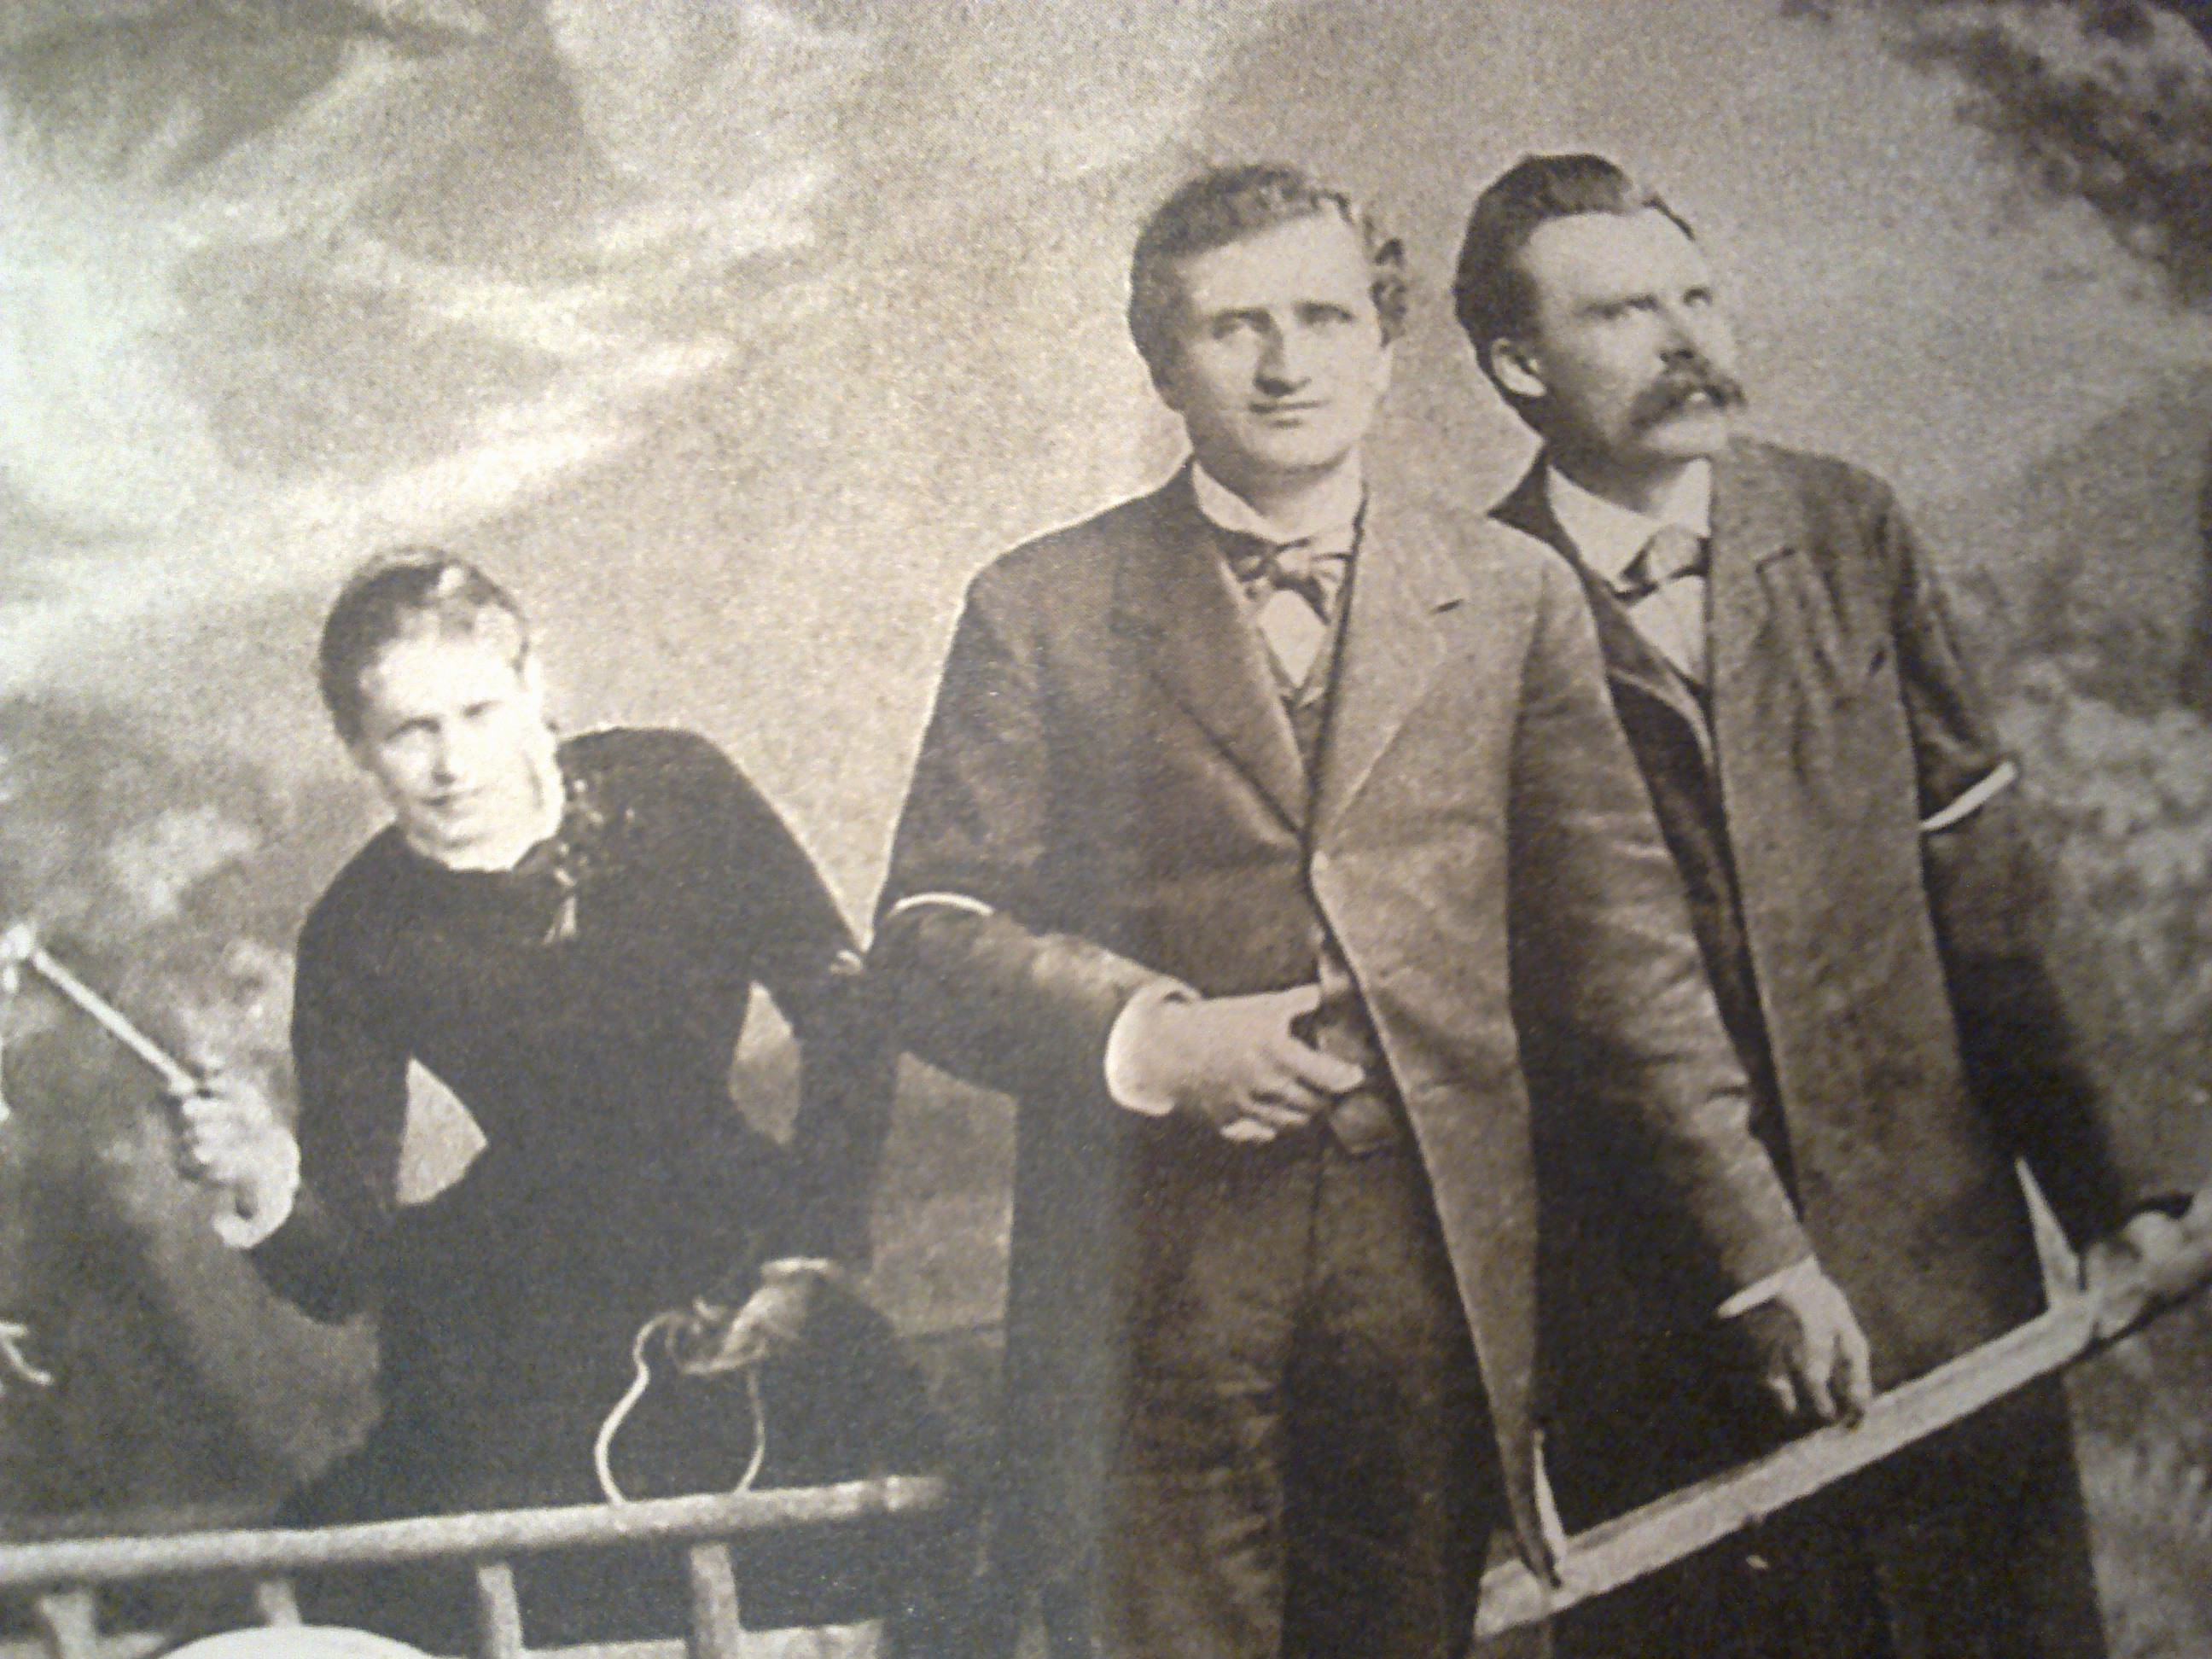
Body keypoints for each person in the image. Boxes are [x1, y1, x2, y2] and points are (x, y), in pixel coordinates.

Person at [870, 163, 1868, 1659]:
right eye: (1234, 327)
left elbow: (1626, 964)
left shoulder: (1512, 594)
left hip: (1429, 1279)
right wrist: (1153, 1037)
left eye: (1325, 318)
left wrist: (1764, 1255)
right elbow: (925, 935)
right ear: (1161, 362)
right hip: (1150, 1281)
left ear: (1387, 345)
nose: (1286, 364)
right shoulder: (1042, 603)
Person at [1452, 151, 2195, 1659]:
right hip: (1658, 1319)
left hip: (1937, 1278)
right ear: (1518, 365)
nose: (1685, 340)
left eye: (1697, 295)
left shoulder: (1848, 527)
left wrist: (2124, 1194)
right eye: (1621, 314)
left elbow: (1985, 879)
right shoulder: (1468, 602)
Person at [171, 552, 927, 1645]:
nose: (452, 764)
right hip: (515, 1304)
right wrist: (264, 1184)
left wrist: (806, 1255)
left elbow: (848, 1014)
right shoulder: (358, 929)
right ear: (356, 746)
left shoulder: (678, 790)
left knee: (859, 1551)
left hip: (736, 1244)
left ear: (534, 685)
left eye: (478, 712)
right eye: (408, 733)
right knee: (420, 1588)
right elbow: (347, 1271)